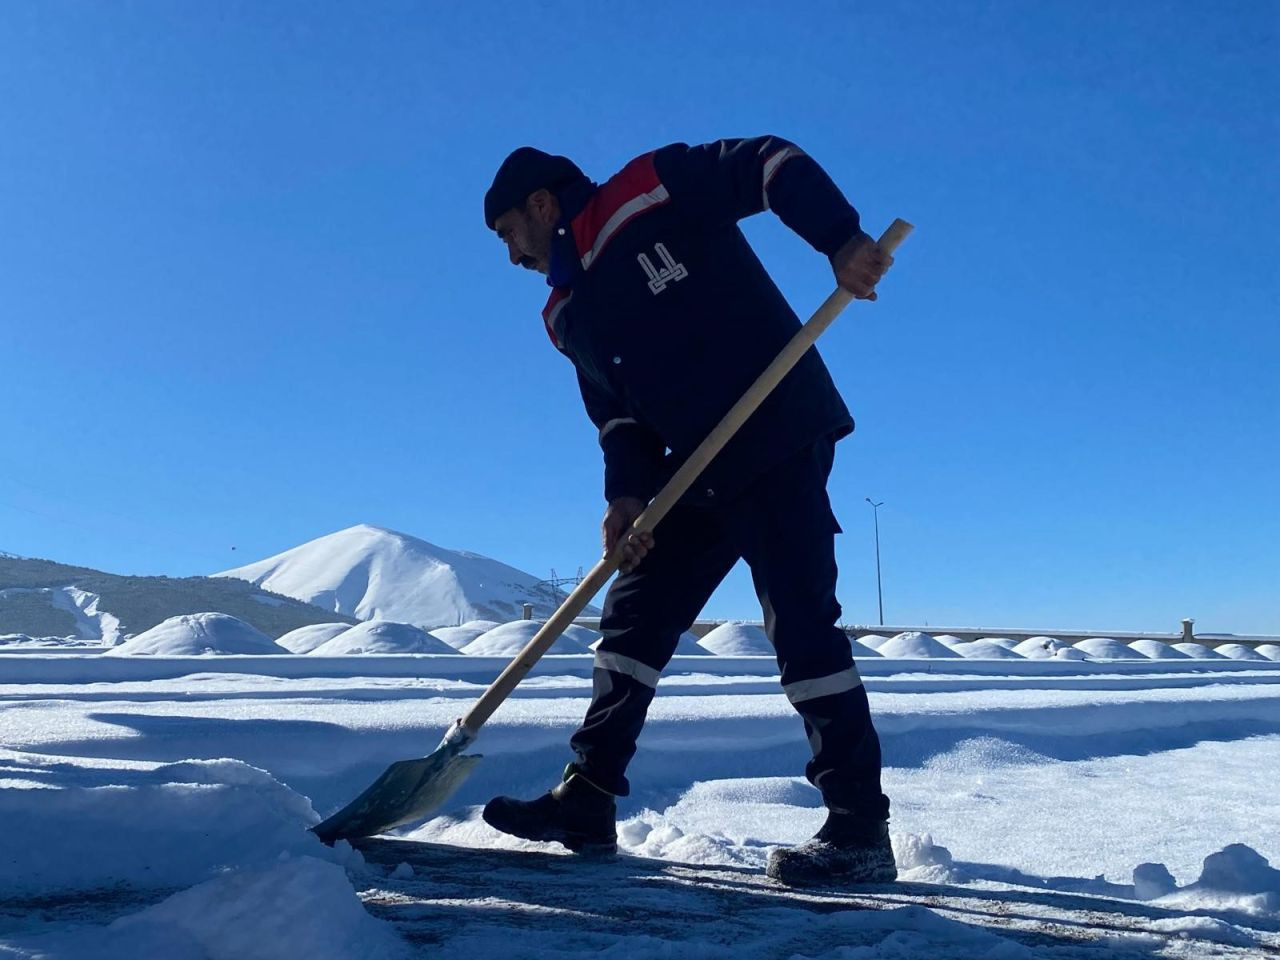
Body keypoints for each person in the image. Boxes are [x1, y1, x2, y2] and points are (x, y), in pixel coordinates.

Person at [480, 137, 895, 886]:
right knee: (632, 616)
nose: (510, 255)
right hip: (691, 469)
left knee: (801, 626)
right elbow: (617, 417)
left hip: (773, 428)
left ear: (542, 204)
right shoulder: (563, 313)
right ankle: (589, 797)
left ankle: (860, 828)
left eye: (508, 232)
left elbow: (768, 164)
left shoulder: (647, 190)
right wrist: (626, 497)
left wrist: (839, 237)